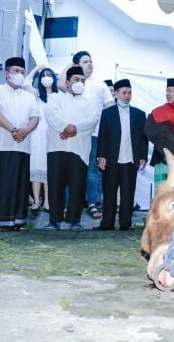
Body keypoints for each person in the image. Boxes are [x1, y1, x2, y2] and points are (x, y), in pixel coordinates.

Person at [0, 57, 39, 231]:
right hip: (0, 145)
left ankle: (19, 220)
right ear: (6, 73)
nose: (19, 74)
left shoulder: (29, 96)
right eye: (16, 71)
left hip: (22, 145)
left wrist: (26, 131)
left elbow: (35, 117)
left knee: (20, 184)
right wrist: (13, 129)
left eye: (22, 72)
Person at [44, 66, 99, 231]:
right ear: (67, 83)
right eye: (76, 80)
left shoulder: (90, 102)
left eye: (82, 80)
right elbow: (52, 115)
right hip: (56, 147)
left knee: (77, 186)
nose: (79, 83)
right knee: (55, 185)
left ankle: (74, 220)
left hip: (79, 149)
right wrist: (65, 127)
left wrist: (74, 129)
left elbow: (92, 121)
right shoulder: (55, 98)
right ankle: (54, 220)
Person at [62, 51, 114, 220]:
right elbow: (59, 85)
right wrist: (70, 68)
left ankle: (91, 203)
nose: (90, 64)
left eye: (91, 61)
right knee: (71, 169)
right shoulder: (70, 85)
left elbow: (109, 108)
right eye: (85, 62)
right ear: (76, 65)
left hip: (95, 133)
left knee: (92, 170)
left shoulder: (100, 85)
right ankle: (70, 204)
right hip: (74, 135)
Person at [95, 79, 147, 231]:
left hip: (131, 159)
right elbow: (102, 136)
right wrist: (101, 156)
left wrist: (143, 155)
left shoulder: (139, 114)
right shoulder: (107, 114)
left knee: (127, 193)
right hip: (112, 158)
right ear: (116, 94)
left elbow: (143, 138)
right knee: (109, 192)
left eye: (129, 92)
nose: (127, 96)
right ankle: (107, 223)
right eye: (124, 93)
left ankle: (126, 224)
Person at [23, 65, 58, 217]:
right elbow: (25, 84)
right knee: (36, 168)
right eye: (44, 75)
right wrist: (37, 69)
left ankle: (48, 201)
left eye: (49, 75)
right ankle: (36, 201)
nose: (46, 77)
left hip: (53, 136)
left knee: (49, 169)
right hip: (37, 135)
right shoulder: (36, 94)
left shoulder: (59, 96)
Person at [150, 78, 174, 186]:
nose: (166, 94)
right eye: (166, 91)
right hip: (162, 160)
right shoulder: (161, 111)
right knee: (161, 193)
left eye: (169, 91)